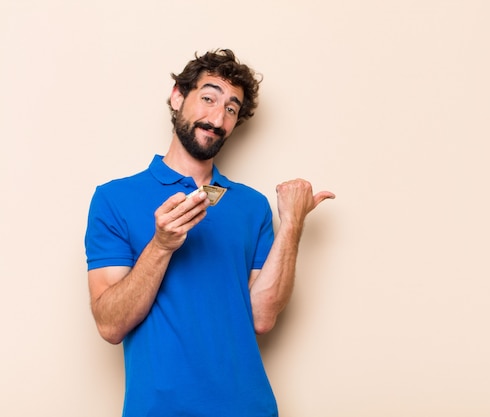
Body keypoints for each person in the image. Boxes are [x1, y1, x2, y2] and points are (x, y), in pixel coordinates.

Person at [85, 49, 335, 417]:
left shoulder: (251, 206)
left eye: (231, 109)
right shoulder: (114, 199)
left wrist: (293, 224)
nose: (217, 118)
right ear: (177, 97)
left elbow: (262, 318)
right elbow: (110, 324)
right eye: (208, 98)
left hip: (249, 407)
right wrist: (161, 245)